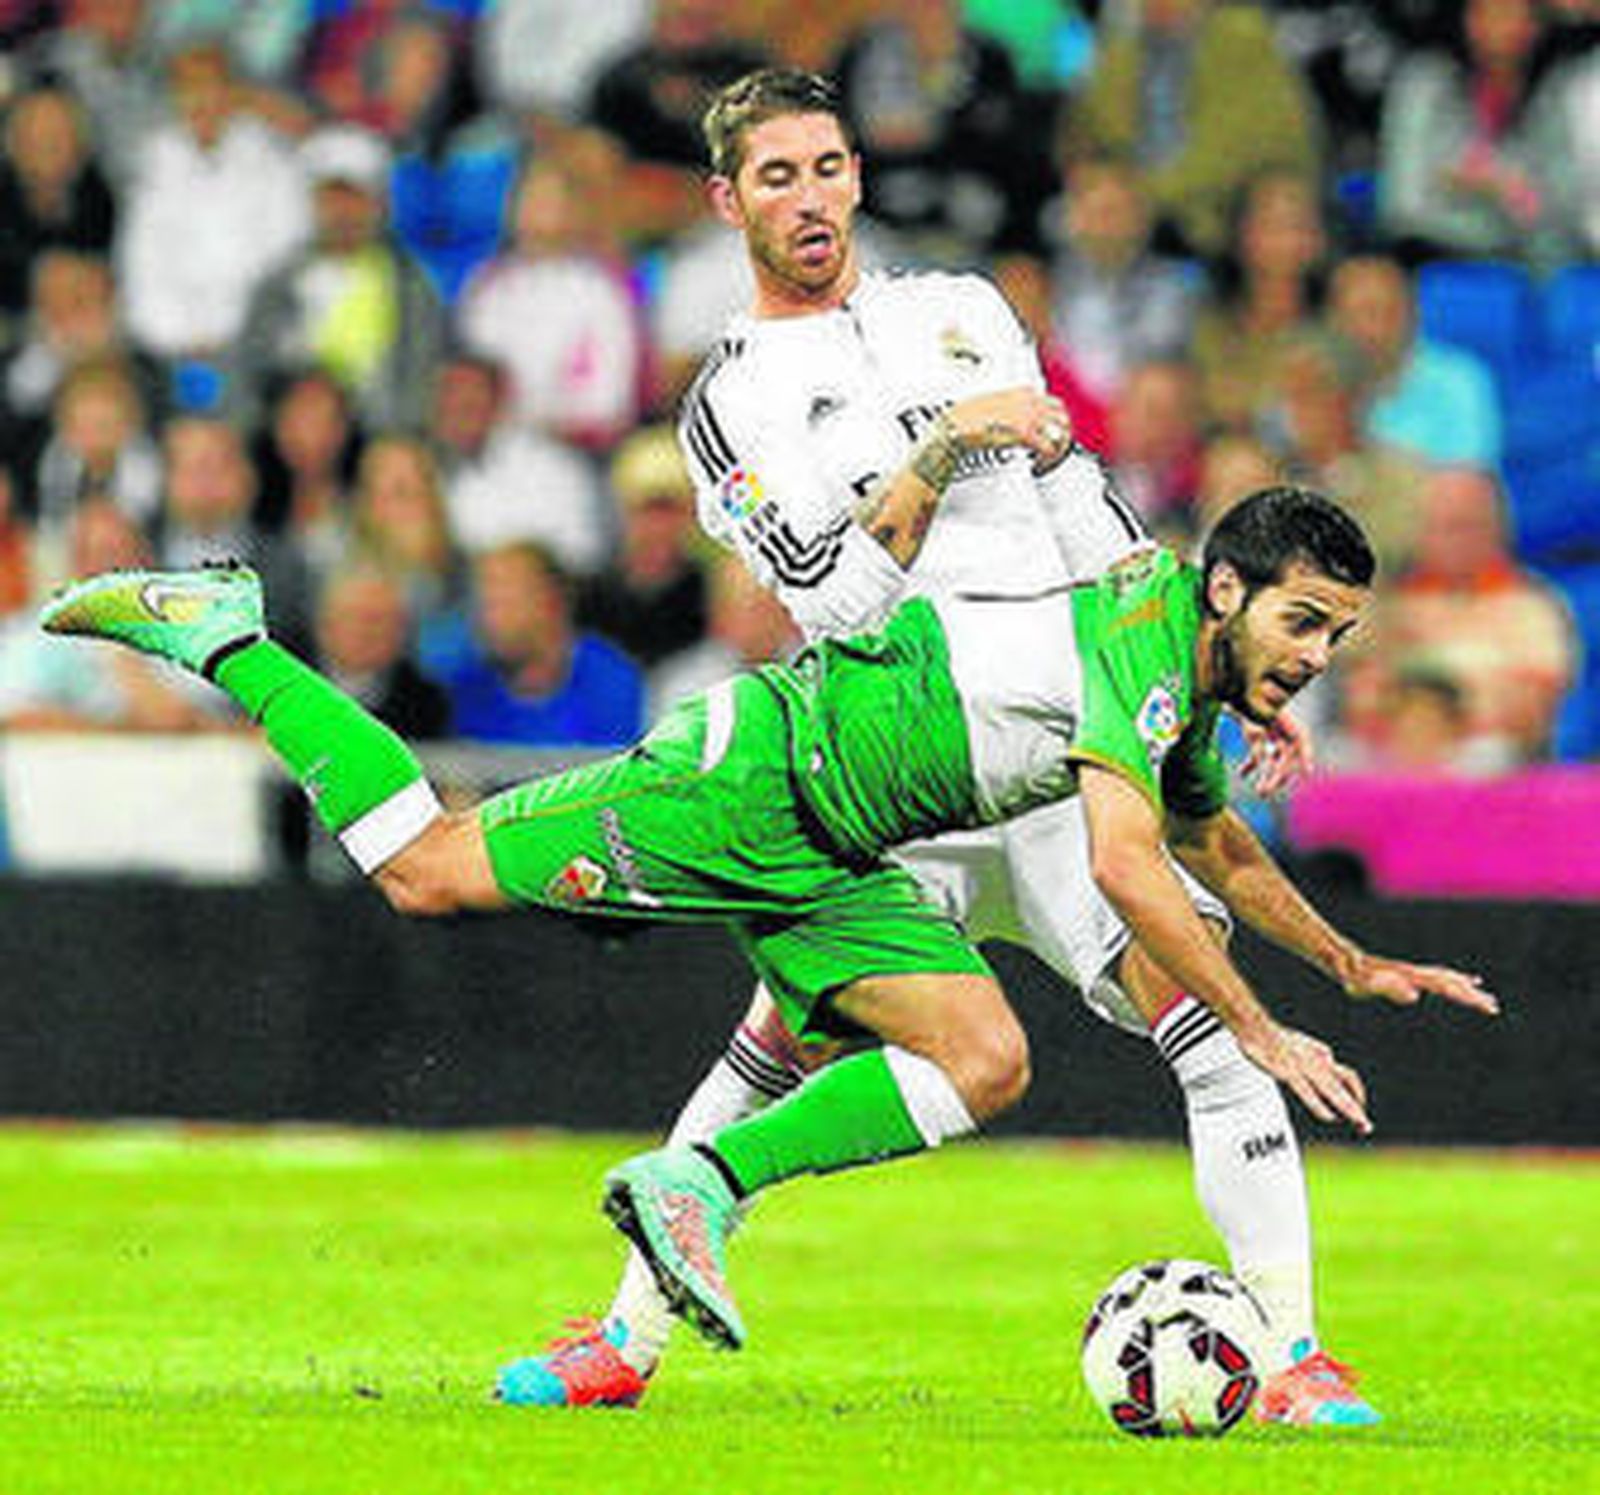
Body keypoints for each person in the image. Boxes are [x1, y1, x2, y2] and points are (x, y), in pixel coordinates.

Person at [41, 487, 1494, 1396]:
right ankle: (229, 631)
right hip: (749, 781)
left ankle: (701, 1184)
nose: (1314, 659)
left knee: (987, 1061)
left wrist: (1349, 967)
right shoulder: (1137, 641)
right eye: (1305, 623)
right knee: (427, 867)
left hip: (843, 849)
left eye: (1337, 638)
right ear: (1229, 591)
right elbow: (1123, 860)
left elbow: (1212, 841)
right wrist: (1260, 1024)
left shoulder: (1176, 676)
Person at [502, 71, 1417, 1423]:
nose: (808, 198)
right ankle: (624, 1342)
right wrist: (933, 455)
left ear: (858, 175)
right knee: (776, 1049)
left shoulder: (963, 314)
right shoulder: (730, 402)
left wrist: (1208, 684)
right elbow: (829, 605)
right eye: (775, 177)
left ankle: (1291, 1358)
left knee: (1211, 1022)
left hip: (1057, 759)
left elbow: (1083, 515)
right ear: (725, 202)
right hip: (888, 777)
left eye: (825, 167)